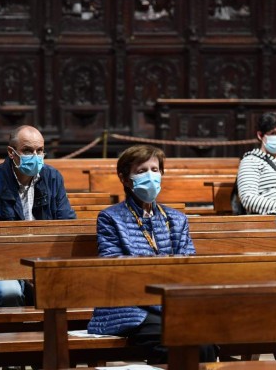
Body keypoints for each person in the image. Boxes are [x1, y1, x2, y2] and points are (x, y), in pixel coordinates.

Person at [86, 144, 217, 364]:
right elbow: (114, 266)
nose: (150, 176)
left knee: (206, 340)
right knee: (189, 345)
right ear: (125, 179)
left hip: (171, 305)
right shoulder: (110, 218)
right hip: (128, 310)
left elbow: (188, 264)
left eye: (155, 170)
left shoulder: (176, 219)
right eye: (141, 171)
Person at [0, 125, 76, 306]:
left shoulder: (53, 178)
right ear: (11, 153)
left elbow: (66, 224)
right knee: (9, 293)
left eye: (40, 150)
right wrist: (22, 270)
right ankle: (12, 334)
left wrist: (42, 267)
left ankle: (55, 334)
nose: (35, 156)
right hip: (1, 262)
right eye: (27, 150)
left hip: (45, 259)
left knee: (74, 286)